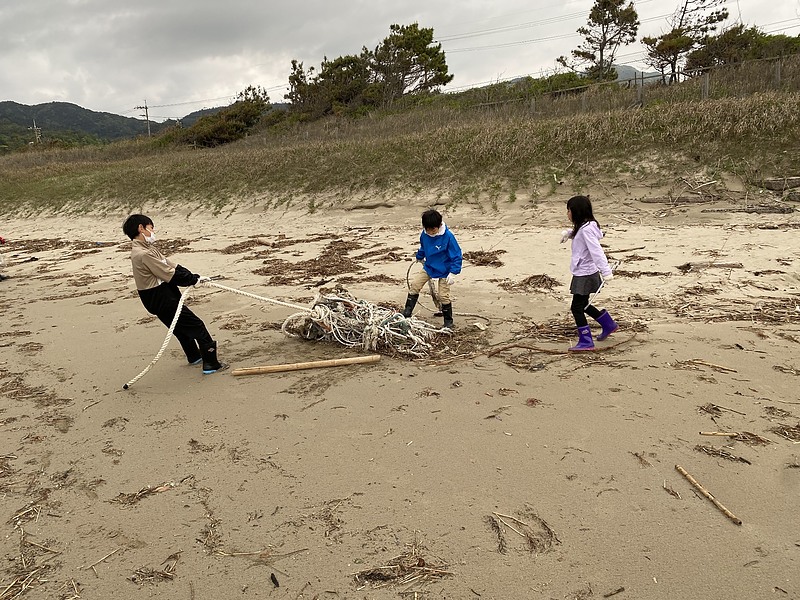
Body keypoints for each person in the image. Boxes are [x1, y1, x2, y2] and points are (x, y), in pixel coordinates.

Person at [122, 214, 226, 374]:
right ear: (141, 228)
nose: (153, 231)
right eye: (151, 227)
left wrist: (195, 277)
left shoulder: (147, 249)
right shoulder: (143, 254)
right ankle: (211, 364)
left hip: (162, 294)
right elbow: (169, 274)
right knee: (196, 325)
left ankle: (194, 356)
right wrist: (191, 280)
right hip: (160, 298)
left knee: (179, 326)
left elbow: (172, 265)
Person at [561, 195, 618, 351]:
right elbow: (582, 235)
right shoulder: (587, 225)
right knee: (584, 304)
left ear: (576, 212)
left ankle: (586, 340)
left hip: (585, 273)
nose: (567, 214)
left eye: (569, 210)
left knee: (577, 308)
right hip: (586, 271)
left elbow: (596, 251)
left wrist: (606, 271)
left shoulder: (586, 230)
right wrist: (569, 234)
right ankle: (608, 324)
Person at [401, 209, 462, 330]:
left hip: (445, 269)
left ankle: (448, 322)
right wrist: (419, 256)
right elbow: (424, 247)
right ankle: (406, 313)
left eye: (433, 229)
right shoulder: (424, 235)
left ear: (439, 225)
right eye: (428, 229)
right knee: (415, 285)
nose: (431, 232)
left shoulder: (448, 236)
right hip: (429, 266)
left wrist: (453, 272)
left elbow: (457, 255)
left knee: (443, 296)